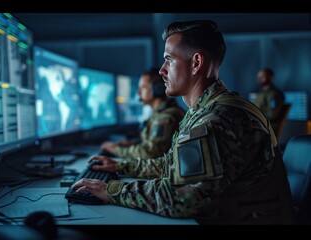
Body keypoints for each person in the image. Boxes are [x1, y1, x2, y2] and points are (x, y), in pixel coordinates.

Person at [72, 20, 295, 224]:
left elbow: (179, 199)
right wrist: (120, 166)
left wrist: (111, 190)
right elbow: (172, 166)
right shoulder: (207, 109)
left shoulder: (217, 120)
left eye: (169, 59)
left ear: (196, 63)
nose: (161, 70)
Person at [100, 68, 185, 159]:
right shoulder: (162, 112)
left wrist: (115, 149)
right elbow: (156, 143)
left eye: (143, 87)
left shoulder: (166, 117)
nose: (138, 92)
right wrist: (132, 143)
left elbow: (150, 152)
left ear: (158, 88)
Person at [253, 68, 285, 132]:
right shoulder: (262, 93)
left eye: (262, 77)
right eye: (259, 77)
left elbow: (272, 115)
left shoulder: (274, 94)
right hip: (258, 123)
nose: (259, 79)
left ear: (270, 77)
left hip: (264, 126)